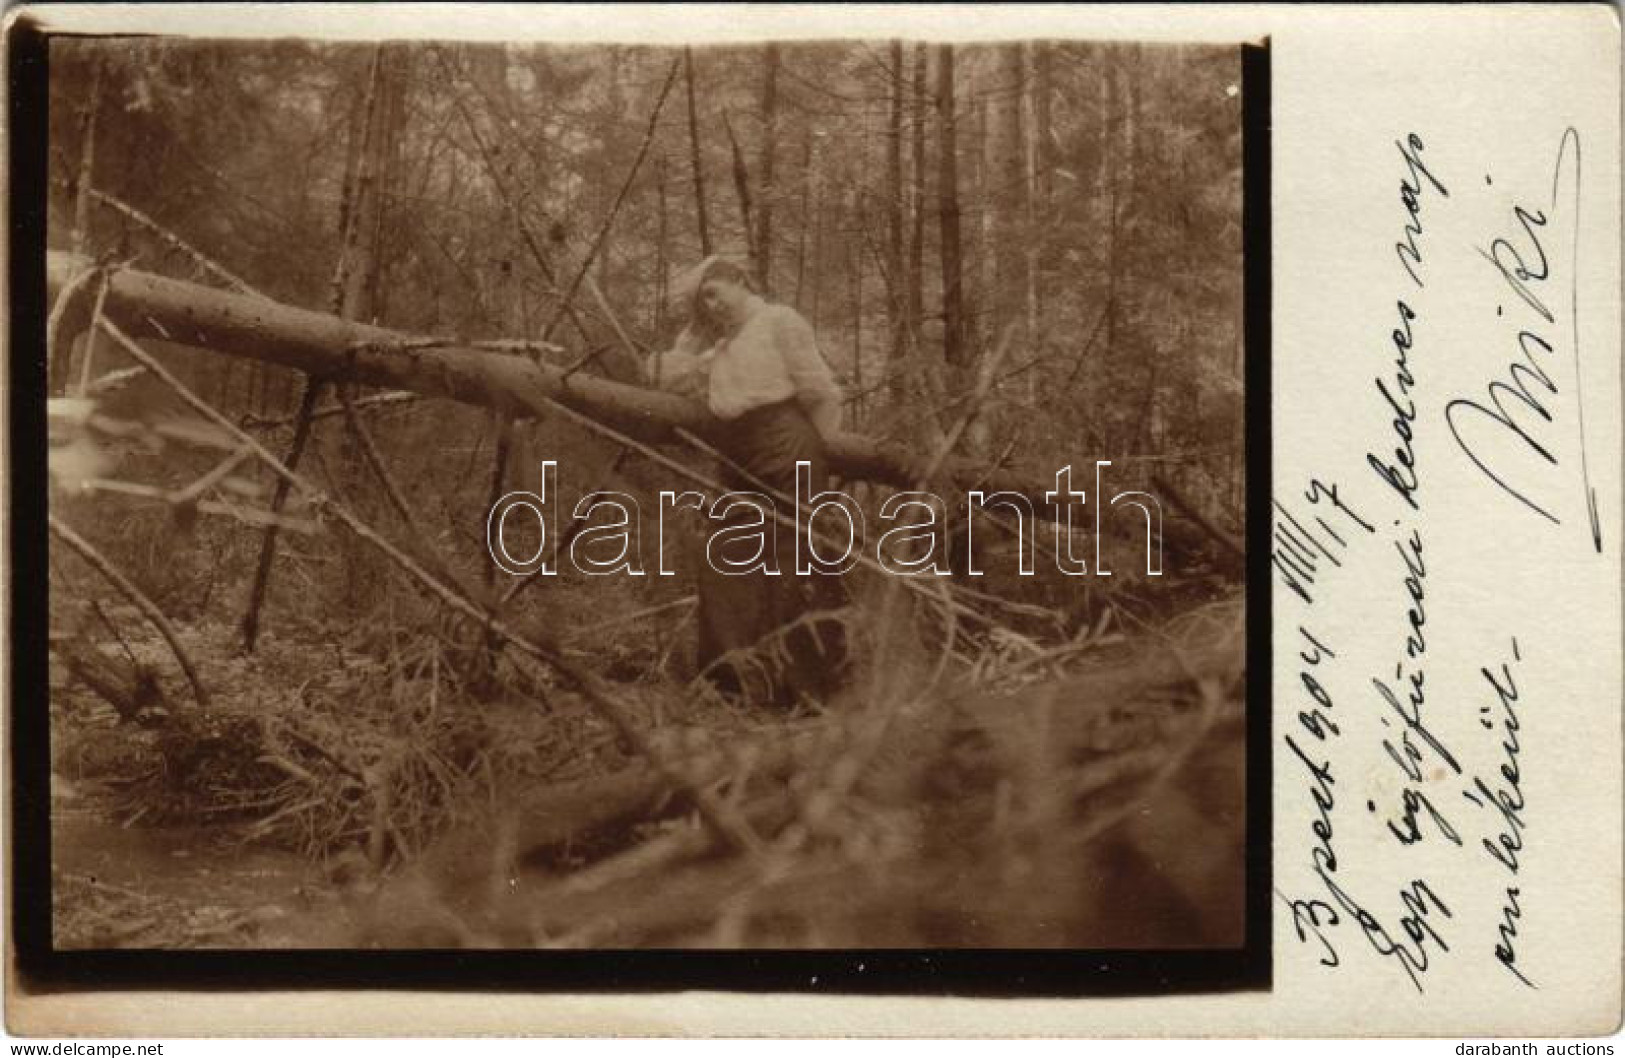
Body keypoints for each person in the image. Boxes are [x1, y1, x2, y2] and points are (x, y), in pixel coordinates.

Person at [653, 255, 847, 708]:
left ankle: (808, 693)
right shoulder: (719, 350)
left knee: (795, 560)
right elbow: (666, 377)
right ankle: (737, 684)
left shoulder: (780, 321)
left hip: (788, 450)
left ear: (739, 280)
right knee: (726, 557)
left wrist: (817, 457)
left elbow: (819, 391)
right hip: (738, 461)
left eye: (714, 293)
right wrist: (693, 335)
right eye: (703, 301)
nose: (712, 307)